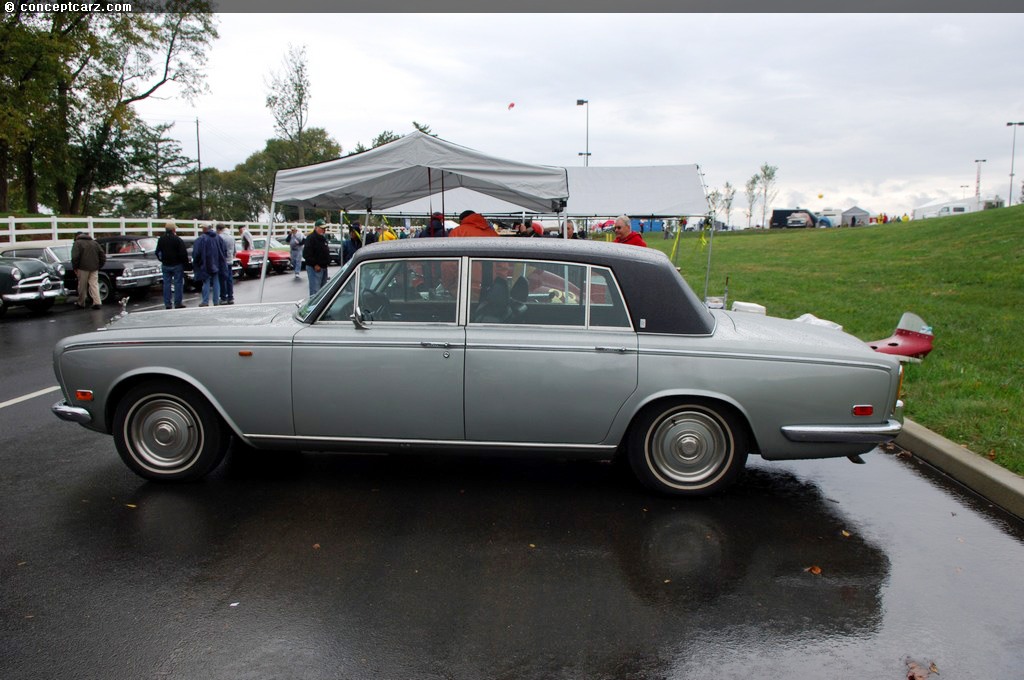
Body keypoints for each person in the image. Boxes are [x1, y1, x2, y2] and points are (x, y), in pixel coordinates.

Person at [155, 220, 188, 309]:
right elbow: (183, 253)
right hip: (177, 264)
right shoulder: (177, 239)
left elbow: (157, 251)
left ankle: (167, 303)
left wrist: (161, 259)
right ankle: (178, 303)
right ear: (174, 229)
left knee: (166, 284)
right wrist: (185, 264)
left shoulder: (161, 239)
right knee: (178, 284)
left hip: (166, 264)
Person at [70, 231, 106, 309]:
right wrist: (99, 266)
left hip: (82, 268)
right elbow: (102, 255)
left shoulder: (77, 243)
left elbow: (75, 257)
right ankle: (97, 302)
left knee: (82, 286)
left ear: (76, 237)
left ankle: (81, 302)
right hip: (94, 267)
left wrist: (75, 267)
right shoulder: (94, 243)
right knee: (94, 285)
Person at [192, 225, 222, 306]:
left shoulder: (201, 239)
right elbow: (223, 250)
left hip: (205, 263)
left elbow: (196, 253)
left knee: (206, 282)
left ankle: (205, 301)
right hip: (216, 263)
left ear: (204, 229)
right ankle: (216, 301)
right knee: (216, 282)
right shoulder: (217, 238)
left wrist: (197, 262)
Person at [302, 219, 330, 296]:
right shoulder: (310, 238)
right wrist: (315, 264)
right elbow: (306, 254)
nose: (324, 230)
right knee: (315, 292)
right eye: (322, 228)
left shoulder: (323, 238)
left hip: (324, 267)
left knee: (323, 291)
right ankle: (313, 307)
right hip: (315, 268)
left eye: (324, 228)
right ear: (316, 228)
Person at [216, 224, 235, 305]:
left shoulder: (220, 237)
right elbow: (234, 250)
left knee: (222, 280)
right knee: (229, 279)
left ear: (219, 229)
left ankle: (223, 297)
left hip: (222, 261)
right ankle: (230, 297)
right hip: (230, 260)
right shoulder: (231, 237)